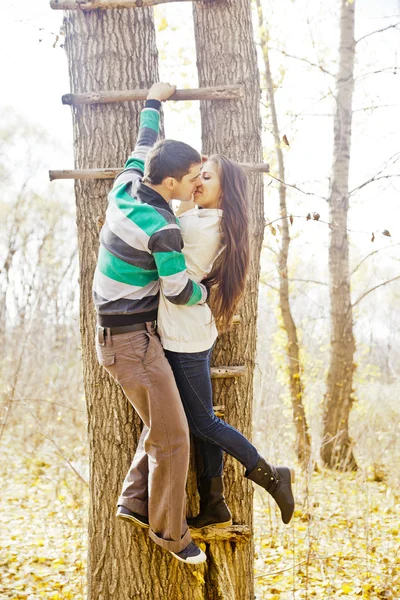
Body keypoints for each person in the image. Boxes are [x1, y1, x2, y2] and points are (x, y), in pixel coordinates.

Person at [93, 82, 209, 564]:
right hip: (132, 345)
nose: (197, 186)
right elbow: (180, 290)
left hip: (122, 339)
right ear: (170, 184)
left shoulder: (127, 184)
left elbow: (144, 141)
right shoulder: (162, 229)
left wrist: (154, 102)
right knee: (175, 438)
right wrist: (211, 288)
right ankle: (171, 535)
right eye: (193, 179)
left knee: (161, 421)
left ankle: (134, 500)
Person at [156, 155, 295, 529]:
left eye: (206, 177)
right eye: (196, 176)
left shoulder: (200, 227)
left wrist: (185, 188)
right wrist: (194, 185)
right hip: (188, 330)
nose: (197, 182)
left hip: (183, 335)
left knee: (202, 423)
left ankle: (270, 474)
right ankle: (214, 502)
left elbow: (172, 263)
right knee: (200, 420)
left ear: (225, 189)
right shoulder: (206, 219)